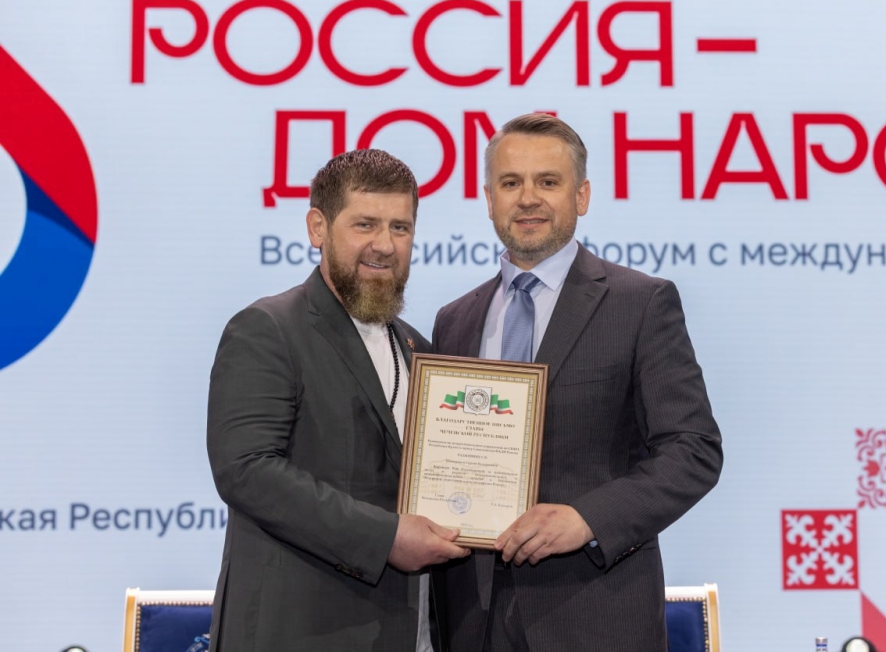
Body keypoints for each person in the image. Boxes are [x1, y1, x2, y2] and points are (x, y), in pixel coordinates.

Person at [431, 114, 723, 651]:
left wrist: (588, 519)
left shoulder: (640, 303)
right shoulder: (454, 320)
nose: (528, 198)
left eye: (548, 181)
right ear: (489, 199)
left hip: (594, 615)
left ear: (581, 196)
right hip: (473, 621)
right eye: (511, 183)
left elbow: (693, 450)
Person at [206, 149, 469, 651]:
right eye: (365, 224)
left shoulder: (419, 349)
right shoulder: (268, 329)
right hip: (299, 633)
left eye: (400, 227)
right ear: (318, 228)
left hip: (407, 633)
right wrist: (386, 538)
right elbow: (246, 470)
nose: (384, 245)